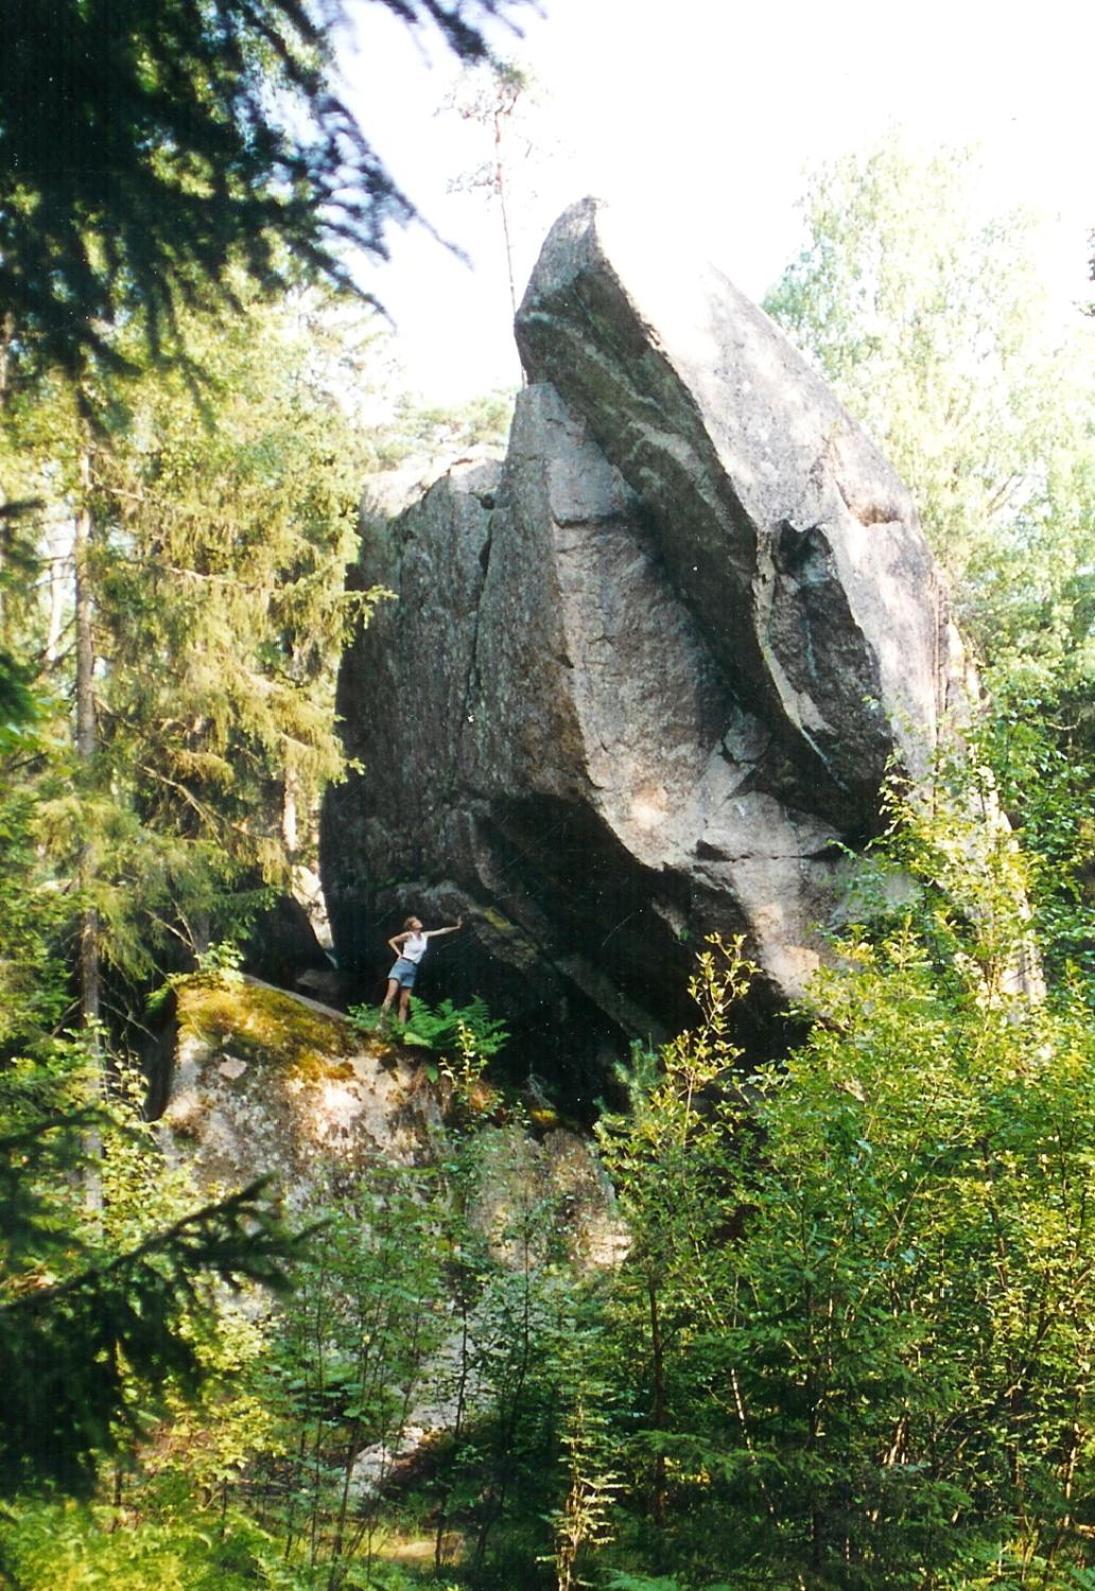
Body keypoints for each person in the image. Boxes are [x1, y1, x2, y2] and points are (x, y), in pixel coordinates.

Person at [380, 913, 464, 1024]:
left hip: (412, 969)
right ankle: (380, 1023)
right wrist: (399, 954)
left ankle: (401, 1028)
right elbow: (391, 941)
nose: (419, 922)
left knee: (404, 1003)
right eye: (416, 921)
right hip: (401, 966)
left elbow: (441, 931)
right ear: (411, 926)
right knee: (390, 996)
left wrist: (456, 927)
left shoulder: (425, 935)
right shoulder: (409, 935)